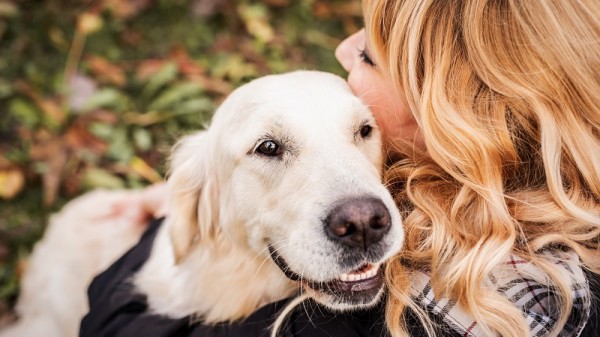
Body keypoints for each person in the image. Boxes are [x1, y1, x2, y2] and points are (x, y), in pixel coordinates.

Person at [80, 0, 600, 336]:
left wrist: (162, 227)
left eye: (369, 56)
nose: (341, 48)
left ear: (446, 107)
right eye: (270, 148)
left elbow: (106, 323)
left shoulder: (395, 316)